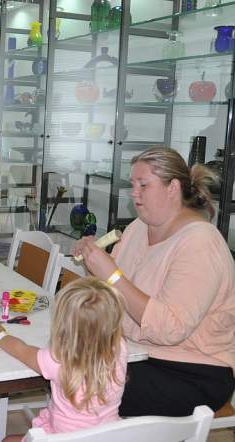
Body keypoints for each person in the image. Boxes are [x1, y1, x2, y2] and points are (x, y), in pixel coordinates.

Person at [73, 146, 235, 417]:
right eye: (133, 184)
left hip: (193, 370)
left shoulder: (200, 243)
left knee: (79, 382)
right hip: (139, 352)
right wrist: (94, 265)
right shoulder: (139, 227)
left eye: (143, 185)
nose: (133, 193)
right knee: (62, 359)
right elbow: (114, 292)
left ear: (173, 188)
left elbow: (170, 329)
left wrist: (111, 274)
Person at [0, 278, 127, 441]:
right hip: (107, 436)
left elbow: (21, 351)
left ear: (64, 326)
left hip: (62, 438)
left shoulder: (58, 360)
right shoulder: (121, 348)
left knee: (8, 440)